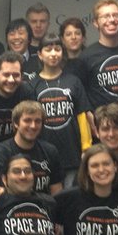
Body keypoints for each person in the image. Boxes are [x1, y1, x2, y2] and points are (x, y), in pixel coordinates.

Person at [30, 35, 92, 186]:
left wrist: (86, 148)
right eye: (48, 49)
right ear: (40, 54)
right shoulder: (32, 85)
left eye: (57, 49)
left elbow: (82, 116)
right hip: (41, 153)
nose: (53, 53)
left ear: (62, 53)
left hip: (71, 153)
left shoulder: (73, 81)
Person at [77, 0, 118, 109]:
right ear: (95, 23)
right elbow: (82, 95)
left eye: (115, 15)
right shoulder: (86, 56)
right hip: (104, 123)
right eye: (105, 16)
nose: (112, 19)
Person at [0, 100, 65, 195]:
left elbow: (57, 193)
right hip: (12, 207)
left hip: (44, 207)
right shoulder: (0, 152)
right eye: (27, 120)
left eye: (37, 121)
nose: (33, 126)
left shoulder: (50, 151)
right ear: (16, 123)